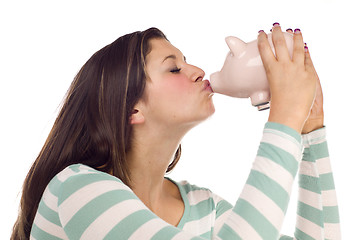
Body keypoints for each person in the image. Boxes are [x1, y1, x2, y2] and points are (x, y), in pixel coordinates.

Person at [11, 23, 341, 240]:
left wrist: (311, 130)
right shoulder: (77, 191)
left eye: (187, 61)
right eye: (173, 68)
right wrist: (283, 119)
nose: (198, 71)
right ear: (131, 108)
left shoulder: (203, 209)